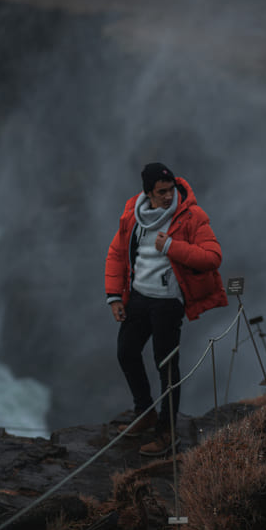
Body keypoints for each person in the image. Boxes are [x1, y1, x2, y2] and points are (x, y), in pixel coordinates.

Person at [105, 163, 228, 457]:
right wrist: (114, 296)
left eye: (171, 189)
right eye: (161, 192)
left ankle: (166, 432)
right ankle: (145, 412)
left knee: (167, 366)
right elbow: (117, 253)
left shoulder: (190, 215)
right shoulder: (133, 215)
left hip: (168, 303)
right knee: (126, 352)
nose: (167, 196)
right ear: (147, 193)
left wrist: (172, 246)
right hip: (138, 298)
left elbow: (213, 257)